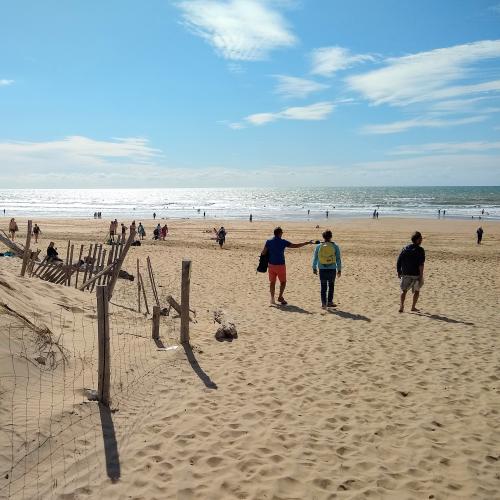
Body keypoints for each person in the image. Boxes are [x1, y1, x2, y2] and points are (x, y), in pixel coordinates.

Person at [261, 227, 313, 305]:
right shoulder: (283, 242)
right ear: (279, 233)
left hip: (271, 265)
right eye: (282, 232)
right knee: (283, 282)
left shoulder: (269, 241)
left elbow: (263, 253)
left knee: (272, 282)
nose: (282, 234)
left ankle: (272, 298)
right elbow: (295, 246)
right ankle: (280, 297)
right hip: (281, 265)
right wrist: (306, 243)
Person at [312, 230, 342, 309]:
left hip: (322, 269)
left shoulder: (318, 246)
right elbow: (338, 259)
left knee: (323, 287)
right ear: (331, 237)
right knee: (331, 286)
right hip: (332, 269)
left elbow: (315, 258)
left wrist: (314, 267)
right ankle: (330, 302)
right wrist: (339, 269)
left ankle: (323, 303)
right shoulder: (335, 246)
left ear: (323, 237)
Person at [397, 231, 425, 313]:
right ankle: (413, 307)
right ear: (416, 240)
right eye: (420, 239)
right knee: (416, 291)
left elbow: (399, 261)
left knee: (404, 290)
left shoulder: (405, 248)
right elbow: (421, 264)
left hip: (405, 273)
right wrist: (421, 275)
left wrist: (399, 271)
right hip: (415, 274)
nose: (421, 240)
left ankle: (401, 306)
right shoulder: (420, 250)